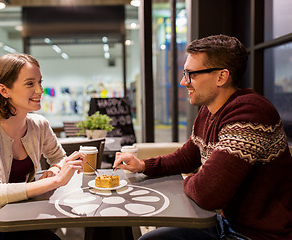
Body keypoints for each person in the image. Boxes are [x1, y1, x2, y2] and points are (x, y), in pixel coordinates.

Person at [113, 34, 292, 239]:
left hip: (257, 234)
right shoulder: (209, 110)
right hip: (225, 223)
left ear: (221, 77)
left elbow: (208, 194)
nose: (183, 82)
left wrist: (191, 179)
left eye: (191, 74)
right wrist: (143, 165)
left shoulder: (250, 114)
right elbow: (186, 157)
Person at [0, 53, 86, 240]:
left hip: (20, 218)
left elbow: (59, 158)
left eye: (40, 82)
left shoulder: (39, 125)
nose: (40, 91)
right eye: (30, 84)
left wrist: (56, 169)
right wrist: (54, 181)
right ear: (4, 90)